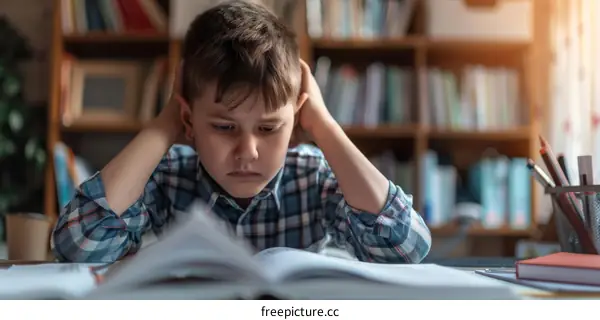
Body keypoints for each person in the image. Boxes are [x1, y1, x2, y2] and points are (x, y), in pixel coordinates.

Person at [51, 1, 431, 264]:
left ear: (296, 120)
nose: (247, 151)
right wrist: (166, 122)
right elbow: (78, 244)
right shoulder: (170, 177)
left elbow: (406, 247)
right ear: (190, 120)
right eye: (223, 127)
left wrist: (324, 126)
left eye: (268, 128)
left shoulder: (313, 176)